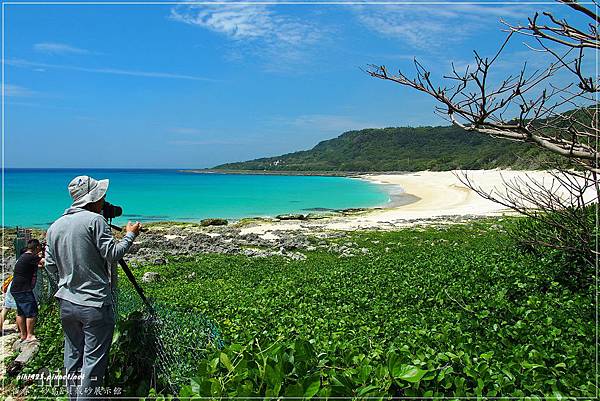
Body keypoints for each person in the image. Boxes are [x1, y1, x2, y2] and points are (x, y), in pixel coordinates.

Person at [45, 175, 142, 400]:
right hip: (94, 304)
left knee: (73, 356)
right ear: (93, 198)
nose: (104, 200)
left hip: (66, 302)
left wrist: (68, 280)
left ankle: (73, 396)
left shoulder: (55, 226)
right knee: (93, 366)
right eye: (102, 196)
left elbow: (50, 265)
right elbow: (113, 254)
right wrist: (130, 235)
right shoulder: (95, 221)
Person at [10, 239, 44, 344]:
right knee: (31, 312)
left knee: (20, 312)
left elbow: (35, 265)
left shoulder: (24, 256)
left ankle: (23, 335)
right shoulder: (31, 257)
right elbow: (44, 262)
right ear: (37, 247)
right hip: (23, 289)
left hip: (16, 288)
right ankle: (30, 335)